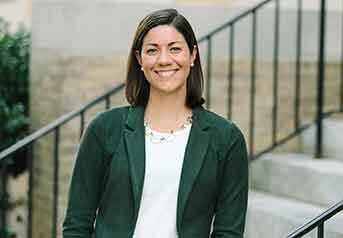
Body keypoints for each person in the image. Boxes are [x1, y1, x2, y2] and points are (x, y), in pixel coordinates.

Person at [62, 8, 248, 238]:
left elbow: (228, 232)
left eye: (175, 49)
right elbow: (77, 225)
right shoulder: (104, 129)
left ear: (192, 55)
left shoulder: (226, 139)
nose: (163, 60)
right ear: (140, 59)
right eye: (152, 50)